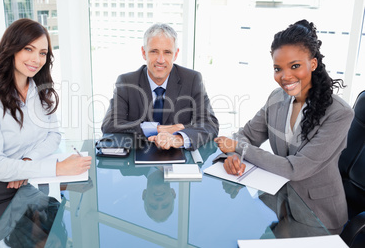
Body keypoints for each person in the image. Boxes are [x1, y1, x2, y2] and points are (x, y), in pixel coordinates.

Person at [214, 19, 354, 234]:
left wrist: (239, 148)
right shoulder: (276, 99)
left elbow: (295, 169)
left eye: (295, 66)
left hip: (317, 213)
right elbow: (245, 135)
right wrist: (231, 156)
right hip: (276, 198)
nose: (285, 76)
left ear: (313, 64)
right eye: (278, 68)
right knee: (227, 227)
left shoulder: (338, 113)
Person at [0, 18, 92, 247]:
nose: (36, 59)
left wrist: (27, 160)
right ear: (11, 48)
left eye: (43, 53)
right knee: (29, 243)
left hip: (20, 182)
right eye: (28, 49)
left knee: (60, 227)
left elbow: (54, 135)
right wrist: (57, 168)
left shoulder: (39, 90)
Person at [101, 23, 219, 150]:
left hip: (179, 154)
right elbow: (109, 124)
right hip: (138, 153)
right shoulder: (126, 81)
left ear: (176, 54)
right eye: (154, 51)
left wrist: (178, 138)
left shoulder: (192, 79)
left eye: (167, 52)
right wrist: (155, 129)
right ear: (144, 52)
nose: (161, 60)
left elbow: (210, 124)